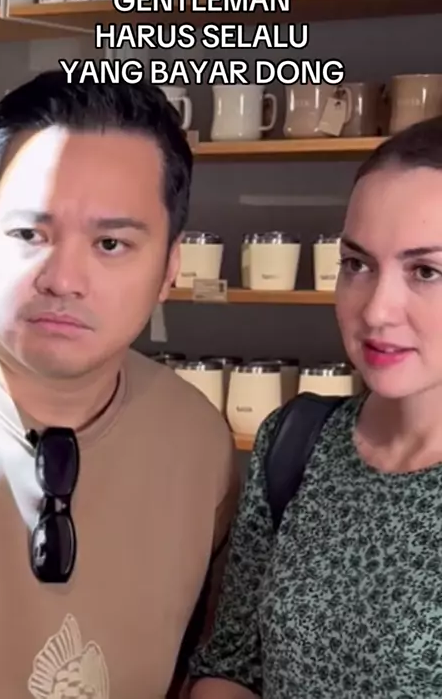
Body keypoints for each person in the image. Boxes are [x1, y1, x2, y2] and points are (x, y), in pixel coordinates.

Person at [0, 70, 239, 699]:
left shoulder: (196, 438)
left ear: (169, 267)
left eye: (111, 243)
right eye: (29, 235)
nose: (63, 279)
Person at [188, 115, 442, 698]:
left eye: (426, 271)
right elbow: (234, 663)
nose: (376, 310)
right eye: (357, 264)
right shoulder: (297, 442)